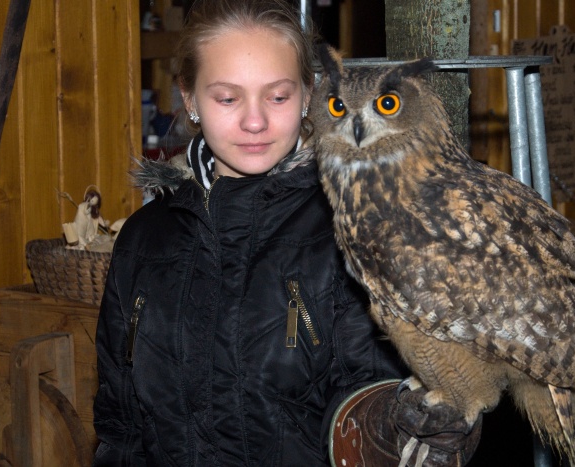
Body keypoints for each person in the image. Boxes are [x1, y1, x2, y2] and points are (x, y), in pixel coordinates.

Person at [93, 0, 481, 465]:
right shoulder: (143, 240)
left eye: (277, 97)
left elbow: (378, 389)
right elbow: (119, 427)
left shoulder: (354, 231)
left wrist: (395, 424)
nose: (255, 121)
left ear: (307, 93)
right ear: (190, 100)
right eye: (227, 98)